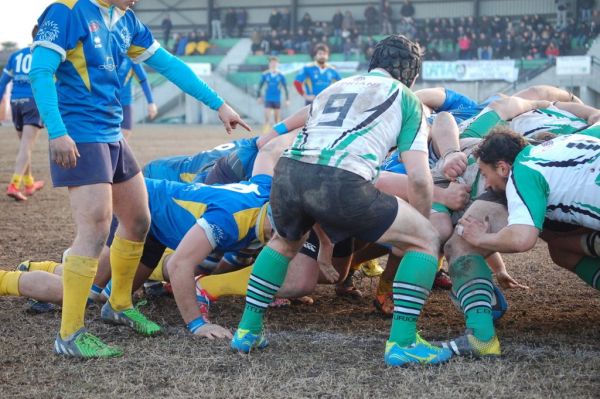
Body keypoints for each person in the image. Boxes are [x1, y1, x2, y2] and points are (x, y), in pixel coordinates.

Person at [29, 0, 250, 359]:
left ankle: (117, 303)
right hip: (80, 134)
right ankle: (69, 334)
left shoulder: (126, 19)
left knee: (138, 220)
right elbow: (40, 71)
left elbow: (169, 65)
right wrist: (56, 131)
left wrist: (219, 104)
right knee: (95, 230)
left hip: (112, 133)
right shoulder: (68, 10)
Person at [231, 35, 453, 367]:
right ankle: (404, 342)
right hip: (341, 180)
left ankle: (247, 331)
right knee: (425, 240)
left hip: (289, 173)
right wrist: (417, 230)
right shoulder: (408, 99)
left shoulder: (336, 86)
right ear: (412, 74)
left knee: (283, 243)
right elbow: (419, 178)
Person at [438, 125, 600, 357]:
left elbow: (523, 240)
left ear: (503, 168)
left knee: (460, 245)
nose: (485, 184)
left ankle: (481, 339)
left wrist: (481, 237)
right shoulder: (565, 142)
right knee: (561, 250)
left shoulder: (521, 173)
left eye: (485, 174)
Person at [2, 25, 45, 201]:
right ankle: (14, 184)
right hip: (33, 101)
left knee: (24, 146)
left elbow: (3, 82)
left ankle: (29, 183)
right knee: (27, 146)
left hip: (16, 103)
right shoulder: (44, 54)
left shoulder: (15, 55)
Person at [117, 58, 157, 139]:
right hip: (107, 102)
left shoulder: (130, 59)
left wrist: (151, 102)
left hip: (125, 102)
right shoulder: (105, 54)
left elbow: (143, 80)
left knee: (126, 132)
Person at [258, 57, 289, 133]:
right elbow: (260, 86)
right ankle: (264, 135)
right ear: (269, 64)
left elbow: (285, 88)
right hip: (268, 99)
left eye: (275, 62)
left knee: (277, 120)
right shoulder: (265, 74)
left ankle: (278, 135)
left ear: (277, 64)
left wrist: (287, 99)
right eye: (272, 62)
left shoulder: (281, 75)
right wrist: (259, 97)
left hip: (277, 99)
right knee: (267, 119)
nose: (273, 64)